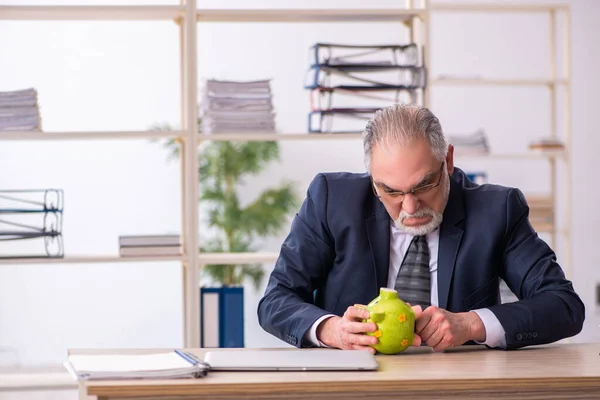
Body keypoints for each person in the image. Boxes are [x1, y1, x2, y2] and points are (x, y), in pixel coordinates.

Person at [257, 104, 584, 352]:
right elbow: (276, 300)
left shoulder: (498, 210)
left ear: (449, 161)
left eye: (425, 185)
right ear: (372, 178)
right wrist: (330, 329)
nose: (411, 208)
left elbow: (564, 306)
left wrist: (471, 323)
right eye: (391, 191)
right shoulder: (330, 199)